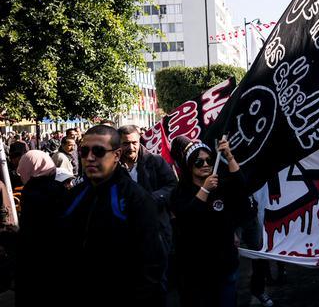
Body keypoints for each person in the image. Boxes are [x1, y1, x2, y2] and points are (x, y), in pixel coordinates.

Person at [60, 125, 166, 307]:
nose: (90, 158)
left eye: (99, 151)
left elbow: (151, 261)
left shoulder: (136, 198)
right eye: (84, 151)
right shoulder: (73, 196)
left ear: (116, 155)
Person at [170, 135, 248, 307]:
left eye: (209, 160)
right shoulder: (180, 192)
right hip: (197, 269)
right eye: (199, 162)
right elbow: (187, 218)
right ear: (189, 166)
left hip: (225, 263)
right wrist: (204, 189)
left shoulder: (219, 184)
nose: (205, 165)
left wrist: (228, 155)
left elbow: (241, 186)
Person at [15, 150, 68, 306]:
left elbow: (31, 226)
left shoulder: (31, 191)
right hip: (58, 255)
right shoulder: (60, 188)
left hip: (35, 256)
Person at [118, 125, 177, 252]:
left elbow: (172, 186)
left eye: (134, 143)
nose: (131, 148)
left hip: (157, 230)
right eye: (126, 144)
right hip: (126, 232)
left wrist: (149, 199)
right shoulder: (112, 167)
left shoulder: (156, 161)